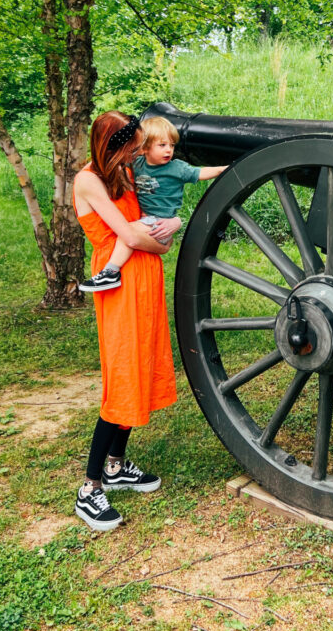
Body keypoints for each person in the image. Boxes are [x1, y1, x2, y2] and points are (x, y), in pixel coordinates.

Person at [72, 111, 181, 532]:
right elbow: (131, 236)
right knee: (121, 376)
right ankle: (90, 488)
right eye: (131, 147)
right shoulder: (89, 180)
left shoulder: (124, 173)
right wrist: (157, 235)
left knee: (140, 368)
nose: (137, 153)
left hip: (145, 276)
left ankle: (116, 467)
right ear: (110, 146)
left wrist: (165, 229)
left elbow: (155, 237)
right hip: (117, 283)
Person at [79, 115, 226, 292]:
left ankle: (111, 272)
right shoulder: (135, 166)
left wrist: (226, 168)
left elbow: (201, 172)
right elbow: (131, 238)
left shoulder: (174, 168)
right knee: (130, 230)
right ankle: (111, 271)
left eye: (172, 145)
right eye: (162, 145)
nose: (169, 150)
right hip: (138, 241)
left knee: (130, 229)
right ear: (144, 148)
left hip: (154, 228)